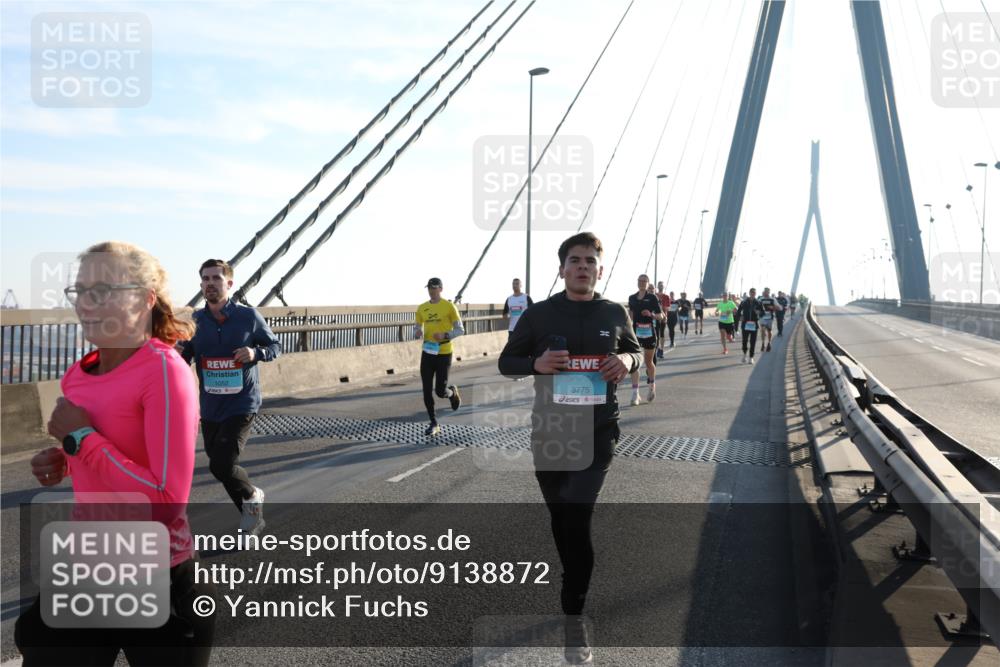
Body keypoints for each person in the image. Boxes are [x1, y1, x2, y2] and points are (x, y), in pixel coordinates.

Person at [17, 241, 215, 666]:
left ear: (145, 299)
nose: (88, 303)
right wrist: (62, 459)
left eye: (104, 290)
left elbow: (164, 504)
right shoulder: (78, 373)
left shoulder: (164, 373)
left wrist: (82, 439)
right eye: (81, 290)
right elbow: (103, 456)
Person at [498, 232, 640, 665]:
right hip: (552, 432)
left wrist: (629, 361)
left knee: (577, 516)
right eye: (575, 260)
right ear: (562, 269)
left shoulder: (614, 312)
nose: (582, 267)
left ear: (600, 269)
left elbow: (634, 350)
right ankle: (573, 576)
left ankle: (573, 618)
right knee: (562, 520)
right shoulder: (540, 315)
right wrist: (535, 364)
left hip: (598, 432)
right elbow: (507, 362)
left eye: (590, 261)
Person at [180, 259, 280, 536]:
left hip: (242, 402)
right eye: (205, 279)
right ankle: (251, 497)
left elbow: (274, 346)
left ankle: (251, 511)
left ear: (229, 284)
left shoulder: (248, 317)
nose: (210, 283)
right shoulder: (196, 321)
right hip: (210, 405)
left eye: (216, 278)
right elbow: (183, 356)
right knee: (221, 466)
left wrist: (255, 353)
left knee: (222, 463)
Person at [414, 277, 464, 436]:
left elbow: (460, 330)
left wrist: (445, 334)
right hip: (427, 352)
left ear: (441, 289)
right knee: (426, 390)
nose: (431, 291)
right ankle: (433, 423)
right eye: (429, 288)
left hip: (444, 353)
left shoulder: (449, 307)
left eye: (434, 288)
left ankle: (451, 392)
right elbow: (417, 325)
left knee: (440, 391)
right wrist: (417, 331)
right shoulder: (422, 308)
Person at [627, 274, 663, 405]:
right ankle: (635, 394)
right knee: (635, 363)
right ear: (637, 282)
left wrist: (651, 314)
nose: (642, 283)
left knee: (648, 362)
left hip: (649, 333)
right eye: (640, 281)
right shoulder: (632, 298)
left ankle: (651, 387)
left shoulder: (652, 297)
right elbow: (630, 316)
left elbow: (661, 316)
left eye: (644, 281)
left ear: (648, 284)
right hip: (636, 334)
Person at [738, 287, 763, 364]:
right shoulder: (744, 302)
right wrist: (740, 317)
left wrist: (759, 313)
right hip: (745, 324)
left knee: (753, 342)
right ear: (749, 293)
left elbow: (763, 312)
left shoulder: (758, 302)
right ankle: (744, 354)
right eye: (751, 292)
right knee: (744, 341)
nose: (753, 294)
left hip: (754, 324)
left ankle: (751, 357)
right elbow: (739, 311)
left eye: (754, 293)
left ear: (755, 294)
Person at [757, 287, 778, 353]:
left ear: (769, 292)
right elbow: (757, 307)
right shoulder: (760, 299)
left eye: (767, 291)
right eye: (765, 291)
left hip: (769, 318)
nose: (766, 292)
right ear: (764, 291)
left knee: (769, 331)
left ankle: (769, 343)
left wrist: (773, 307)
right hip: (762, 317)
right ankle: (763, 343)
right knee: (762, 330)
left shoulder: (772, 299)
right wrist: (758, 311)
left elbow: (777, 307)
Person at [655, 281, 671, 358]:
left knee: (661, 334)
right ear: (657, 287)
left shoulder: (666, 297)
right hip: (655, 317)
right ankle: (656, 349)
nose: (661, 287)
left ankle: (661, 350)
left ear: (663, 287)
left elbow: (667, 308)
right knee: (656, 334)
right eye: (659, 285)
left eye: (662, 285)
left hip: (663, 317)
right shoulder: (654, 296)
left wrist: (662, 307)